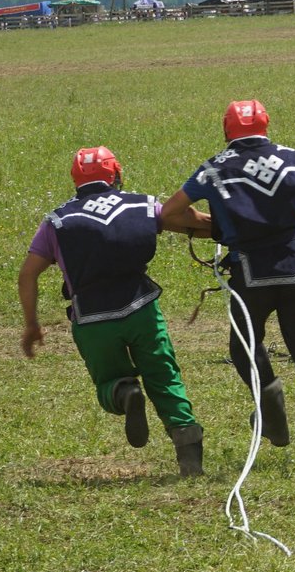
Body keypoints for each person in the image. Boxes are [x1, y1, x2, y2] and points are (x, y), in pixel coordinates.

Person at [160, 100, 295, 477]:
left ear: (227, 130)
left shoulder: (212, 169)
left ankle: (270, 398)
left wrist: (212, 226)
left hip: (251, 273)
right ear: (266, 125)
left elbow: (169, 214)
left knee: (243, 348)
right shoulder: (293, 159)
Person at [19, 147, 206, 476]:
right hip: (141, 309)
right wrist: (237, 231)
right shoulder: (143, 205)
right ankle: (189, 454)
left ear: (76, 180)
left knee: (108, 380)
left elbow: (28, 274)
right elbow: (194, 222)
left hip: (92, 320)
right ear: (116, 175)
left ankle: (124, 393)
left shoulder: (57, 222)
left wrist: (32, 324)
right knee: (164, 377)